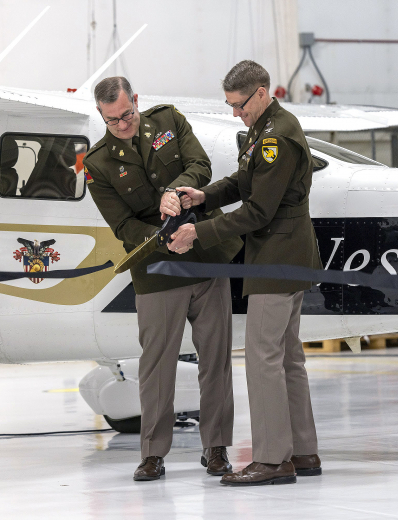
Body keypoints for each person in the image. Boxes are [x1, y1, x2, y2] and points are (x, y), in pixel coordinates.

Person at [166, 60, 322, 486]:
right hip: (285, 256)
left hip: (277, 257)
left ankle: (272, 459)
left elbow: (257, 210)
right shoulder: (265, 127)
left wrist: (198, 232)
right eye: (230, 106)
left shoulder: (276, 138)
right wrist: (205, 193)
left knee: (263, 357)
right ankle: (303, 451)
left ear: (261, 92)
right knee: (288, 357)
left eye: (240, 105)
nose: (236, 113)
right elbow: (245, 181)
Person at [83, 76, 243, 482]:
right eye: (112, 120)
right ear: (101, 115)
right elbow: (122, 225)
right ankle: (153, 454)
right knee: (156, 366)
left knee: (216, 358)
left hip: (206, 257)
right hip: (157, 268)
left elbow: (200, 165)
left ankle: (218, 449)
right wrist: (165, 239)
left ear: (136, 100)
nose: (123, 124)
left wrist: (174, 191)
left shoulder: (168, 119)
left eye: (127, 114)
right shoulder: (98, 163)